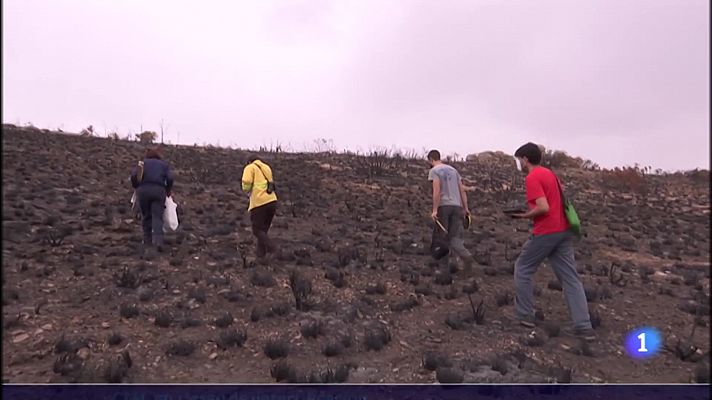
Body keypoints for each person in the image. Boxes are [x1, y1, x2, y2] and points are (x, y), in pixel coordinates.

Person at [510, 142, 594, 341]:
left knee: (523, 268)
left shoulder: (532, 177)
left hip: (547, 231)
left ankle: (524, 316)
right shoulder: (550, 174)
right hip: (563, 230)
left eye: (519, 160)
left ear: (525, 159)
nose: (519, 164)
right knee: (570, 277)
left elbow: (543, 207)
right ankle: (584, 326)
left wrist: (524, 216)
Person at [427, 149, 475, 271]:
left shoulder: (434, 171)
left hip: (444, 207)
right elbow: (462, 190)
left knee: (441, 238)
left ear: (431, 160)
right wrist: (466, 208)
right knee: (454, 237)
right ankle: (466, 256)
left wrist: (434, 210)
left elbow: (437, 191)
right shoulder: (454, 171)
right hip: (457, 207)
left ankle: (443, 268)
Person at [130, 147, 174, 252]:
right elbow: (170, 178)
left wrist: (137, 186)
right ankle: (158, 241)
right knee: (157, 217)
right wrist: (168, 190)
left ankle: (147, 241)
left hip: (143, 191)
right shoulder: (164, 165)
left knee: (146, 216)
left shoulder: (142, 164)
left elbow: (133, 176)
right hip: (159, 191)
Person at [241, 154, 278, 263]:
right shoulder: (266, 167)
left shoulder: (250, 167)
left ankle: (273, 248)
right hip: (272, 201)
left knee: (256, 230)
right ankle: (261, 257)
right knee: (263, 231)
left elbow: (246, 182)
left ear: (249, 161)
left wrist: (246, 189)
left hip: (259, 203)